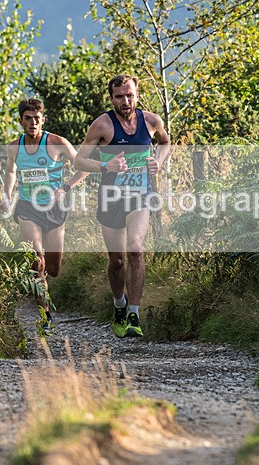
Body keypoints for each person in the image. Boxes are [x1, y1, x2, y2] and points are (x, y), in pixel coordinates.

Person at [74, 74, 170, 338]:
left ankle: (134, 316)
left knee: (136, 251)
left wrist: (158, 162)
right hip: (111, 198)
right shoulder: (102, 125)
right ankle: (119, 305)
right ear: (111, 98)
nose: (126, 101)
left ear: (137, 95)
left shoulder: (151, 121)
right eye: (120, 96)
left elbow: (165, 142)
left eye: (130, 95)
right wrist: (106, 165)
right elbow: (79, 161)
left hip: (141, 195)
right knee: (116, 261)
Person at [1, 98, 88, 336]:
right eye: (27, 119)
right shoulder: (13, 147)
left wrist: (66, 187)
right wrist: (6, 194)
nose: (32, 123)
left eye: (36, 119)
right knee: (36, 260)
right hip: (27, 208)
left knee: (53, 267)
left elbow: (83, 165)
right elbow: (11, 171)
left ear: (43, 120)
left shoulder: (57, 143)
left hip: (55, 209)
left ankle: (44, 281)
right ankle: (45, 316)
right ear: (21, 121)